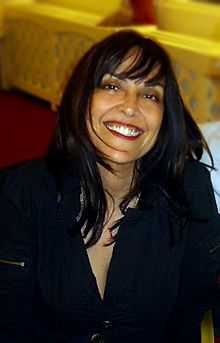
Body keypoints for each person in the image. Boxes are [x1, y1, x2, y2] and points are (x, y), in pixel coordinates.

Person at [0, 30, 220, 343]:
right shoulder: (22, 193)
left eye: (149, 94)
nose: (130, 106)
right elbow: (11, 323)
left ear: (164, 117)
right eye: (112, 85)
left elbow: (189, 315)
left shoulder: (191, 191)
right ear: (81, 99)